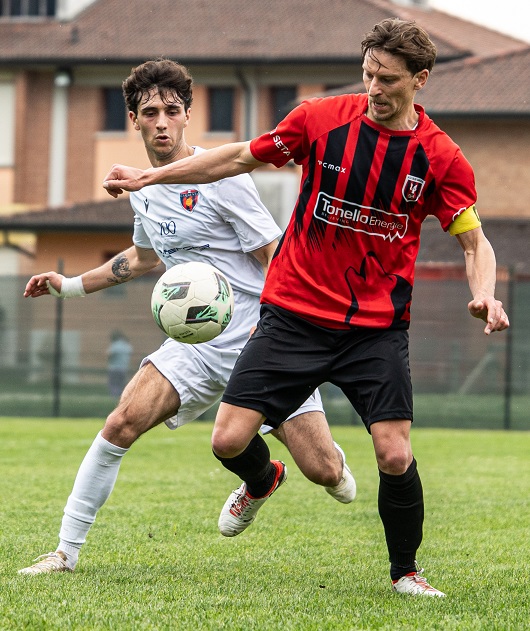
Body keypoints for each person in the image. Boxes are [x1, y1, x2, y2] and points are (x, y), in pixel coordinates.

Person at [101, 19, 509, 597]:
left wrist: (485, 291)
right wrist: (150, 177)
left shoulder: (440, 157)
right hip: (293, 315)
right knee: (227, 440)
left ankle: (406, 573)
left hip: (374, 328)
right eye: (368, 74)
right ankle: (262, 480)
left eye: (388, 79)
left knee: (394, 454)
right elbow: (234, 158)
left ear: (420, 80)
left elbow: (474, 242)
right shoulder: (321, 119)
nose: (374, 88)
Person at [18, 59, 356, 576]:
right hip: (194, 343)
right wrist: (68, 285)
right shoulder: (143, 189)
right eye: (150, 112)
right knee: (120, 423)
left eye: (171, 111)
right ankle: (65, 552)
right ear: (134, 118)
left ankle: (281, 472)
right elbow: (142, 259)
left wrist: (291, 326)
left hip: (258, 338)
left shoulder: (222, 178)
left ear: (187, 116)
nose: (162, 122)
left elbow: (274, 255)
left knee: (327, 474)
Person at [107, 330, 133, 397]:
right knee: (121, 384)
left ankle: (114, 397)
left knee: (114, 384)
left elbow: (109, 354)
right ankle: (120, 397)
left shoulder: (115, 345)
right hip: (124, 368)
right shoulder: (127, 345)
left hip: (114, 368)